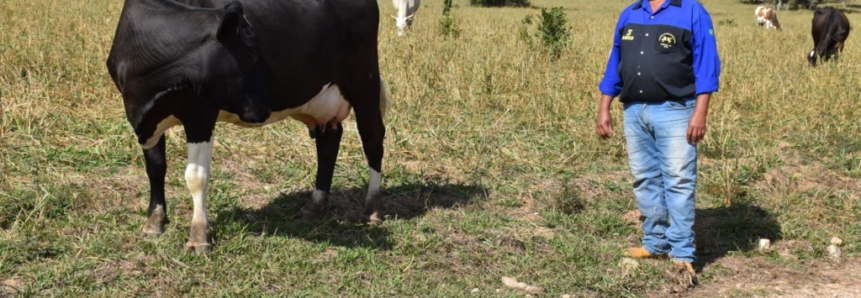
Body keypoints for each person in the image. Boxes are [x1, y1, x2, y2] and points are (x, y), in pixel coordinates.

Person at [595, 0, 721, 284]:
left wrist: (700, 112)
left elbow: (707, 63)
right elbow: (615, 61)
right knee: (644, 178)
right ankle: (655, 243)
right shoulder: (630, 13)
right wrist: (604, 106)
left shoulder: (692, 11)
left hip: (676, 111)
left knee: (678, 180)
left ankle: (682, 254)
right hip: (634, 111)